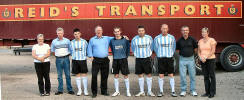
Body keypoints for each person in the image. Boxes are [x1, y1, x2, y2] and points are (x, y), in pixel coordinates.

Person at [87, 26, 114, 98]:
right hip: (96, 60)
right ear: (95, 32)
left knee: (104, 76)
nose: (99, 31)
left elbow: (116, 37)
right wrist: (91, 56)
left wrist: (124, 37)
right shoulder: (92, 39)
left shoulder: (107, 38)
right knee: (94, 76)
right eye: (97, 30)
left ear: (102, 31)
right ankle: (94, 92)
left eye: (100, 30)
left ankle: (104, 91)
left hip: (105, 60)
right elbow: (89, 48)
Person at [153, 24, 177, 97]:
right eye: (163, 28)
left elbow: (173, 47)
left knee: (171, 74)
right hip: (161, 59)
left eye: (166, 28)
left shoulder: (171, 37)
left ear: (168, 29)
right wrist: (159, 54)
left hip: (169, 58)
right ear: (161, 29)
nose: (164, 30)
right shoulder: (157, 38)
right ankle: (161, 91)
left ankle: (173, 91)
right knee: (161, 75)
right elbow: (155, 48)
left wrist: (170, 54)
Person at [131, 25, 155, 97]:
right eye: (139, 31)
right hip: (138, 59)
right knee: (140, 75)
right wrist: (136, 54)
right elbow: (133, 48)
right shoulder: (134, 39)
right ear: (137, 31)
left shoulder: (149, 38)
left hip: (147, 58)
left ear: (144, 31)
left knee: (149, 74)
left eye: (142, 31)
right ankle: (142, 91)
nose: (141, 32)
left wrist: (149, 54)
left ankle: (149, 91)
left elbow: (152, 47)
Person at [51, 27, 74, 95]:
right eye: (58, 33)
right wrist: (58, 55)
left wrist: (66, 55)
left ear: (63, 33)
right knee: (59, 75)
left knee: (67, 75)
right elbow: (52, 51)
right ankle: (60, 90)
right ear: (57, 34)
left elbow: (71, 50)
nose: (59, 34)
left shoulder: (67, 41)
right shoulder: (54, 41)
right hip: (58, 59)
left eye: (61, 33)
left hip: (66, 59)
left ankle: (70, 89)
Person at [176, 26, 198, 97]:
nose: (185, 32)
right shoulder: (179, 40)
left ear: (188, 31)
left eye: (186, 30)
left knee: (192, 76)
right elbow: (178, 50)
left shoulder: (192, 39)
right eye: (183, 30)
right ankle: (183, 90)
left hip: (191, 59)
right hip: (182, 60)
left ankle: (193, 90)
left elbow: (195, 49)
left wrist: (191, 55)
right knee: (183, 76)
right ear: (181, 31)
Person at [110, 27, 131, 97]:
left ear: (120, 32)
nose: (117, 33)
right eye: (115, 32)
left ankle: (128, 91)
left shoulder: (125, 40)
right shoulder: (112, 41)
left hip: (123, 59)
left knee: (126, 75)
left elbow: (128, 48)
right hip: (115, 59)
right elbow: (112, 50)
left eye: (118, 31)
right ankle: (117, 91)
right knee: (116, 75)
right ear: (114, 33)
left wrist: (126, 56)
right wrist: (115, 55)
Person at [198, 27, 217, 98]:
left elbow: (213, 51)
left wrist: (206, 57)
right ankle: (207, 92)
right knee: (205, 76)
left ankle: (212, 92)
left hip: (210, 59)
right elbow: (199, 51)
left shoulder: (212, 40)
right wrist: (200, 57)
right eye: (202, 32)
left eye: (205, 32)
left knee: (212, 76)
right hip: (203, 60)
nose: (203, 33)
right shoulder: (200, 41)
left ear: (208, 33)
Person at [70, 28, 89, 96]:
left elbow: (88, 50)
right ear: (73, 35)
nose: (77, 35)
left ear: (80, 34)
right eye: (75, 34)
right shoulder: (71, 42)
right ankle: (79, 90)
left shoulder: (84, 42)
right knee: (77, 75)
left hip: (82, 60)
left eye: (78, 34)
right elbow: (70, 51)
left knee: (84, 75)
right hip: (75, 60)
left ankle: (85, 90)